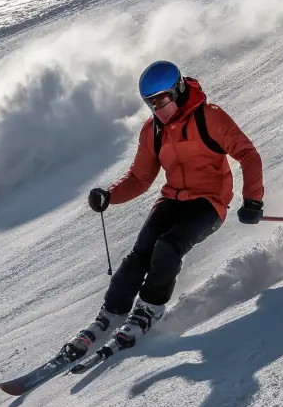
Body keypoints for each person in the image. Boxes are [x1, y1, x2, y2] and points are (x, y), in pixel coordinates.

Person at [70, 61, 264, 354]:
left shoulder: (209, 118)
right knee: (141, 253)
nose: (158, 107)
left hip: (209, 202)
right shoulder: (153, 131)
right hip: (172, 199)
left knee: (168, 246)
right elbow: (138, 177)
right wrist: (109, 195)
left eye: (163, 98)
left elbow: (248, 155)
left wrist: (252, 200)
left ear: (179, 90)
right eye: (151, 102)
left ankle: (149, 308)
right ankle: (111, 312)